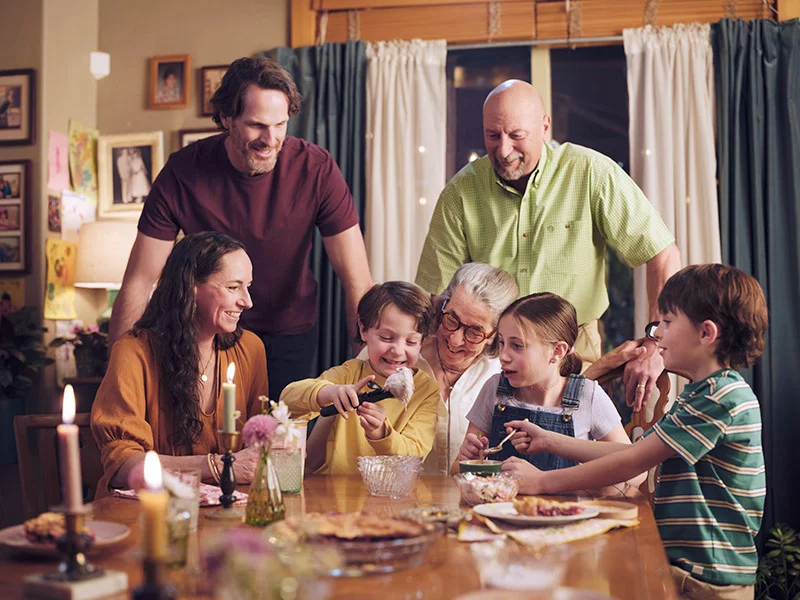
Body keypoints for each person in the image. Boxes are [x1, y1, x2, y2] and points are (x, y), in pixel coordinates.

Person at [109, 56, 373, 402]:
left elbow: (357, 280)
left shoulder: (316, 168)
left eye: (280, 124)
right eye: (257, 125)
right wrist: (119, 379)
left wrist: (366, 366)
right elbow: (141, 280)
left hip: (289, 334)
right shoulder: (182, 172)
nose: (271, 138)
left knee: (282, 446)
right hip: (207, 332)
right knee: (212, 444)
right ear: (226, 119)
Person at [415, 79, 681, 410]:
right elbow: (432, 294)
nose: (503, 150)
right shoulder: (460, 191)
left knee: (573, 455)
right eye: (493, 136)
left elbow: (662, 253)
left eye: (516, 136)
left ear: (545, 126)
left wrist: (657, 342)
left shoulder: (591, 172)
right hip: (492, 353)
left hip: (573, 348)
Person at [505, 264, 768, 599]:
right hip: (689, 571)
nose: (656, 333)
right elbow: (637, 452)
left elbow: (634, 463)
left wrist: (541, 482)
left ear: (706, 333)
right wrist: (549, 440)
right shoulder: (704, 393)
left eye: (668, 322)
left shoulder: (720, 397)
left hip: (709, 580)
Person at [91, 232, 269, 497]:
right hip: (145, 514)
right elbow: (122, 467)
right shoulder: (133, 352)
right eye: (233, 287)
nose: (247, 301)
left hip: (225, 512)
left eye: (248, 286)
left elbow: (256, 446)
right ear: (190, 287)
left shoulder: (250, 349)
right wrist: (216, 466)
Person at [452, 292, 635, 478]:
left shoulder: (588, 395)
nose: (503, 355)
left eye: (517, 346)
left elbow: (636, 470)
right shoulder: (494, 389)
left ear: (557, 351)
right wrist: (469, 460)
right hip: (498, 507)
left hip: (565, 507)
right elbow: (457, 473)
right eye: (501, 342)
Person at [280, 281, 440, 475]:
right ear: (363, 329)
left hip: (391, 497)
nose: (398, 351)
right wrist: (329, 392)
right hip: (335, 493)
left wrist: (381, 432)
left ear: (422, 341)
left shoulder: (426, 391)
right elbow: (287, 402)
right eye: (386, 338)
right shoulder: (349, 374)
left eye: (411, 341)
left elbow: (413, 454)